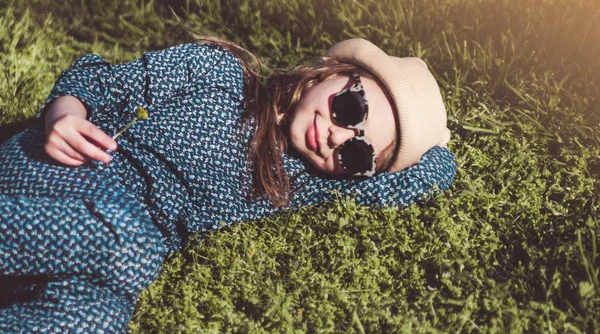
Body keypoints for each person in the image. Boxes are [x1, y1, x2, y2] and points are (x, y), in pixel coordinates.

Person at [0, 37, 456, 333]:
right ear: (331, 72)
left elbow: (424, 176)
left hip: (120, 248)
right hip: (73, 165)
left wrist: (434, 137)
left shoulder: (304, 183)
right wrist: (66, 113)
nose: (338, 137)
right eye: (352, 110)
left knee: (97, 319)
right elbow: (113, 82)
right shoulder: (219, 74)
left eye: (356, 156)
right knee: (131, 244)